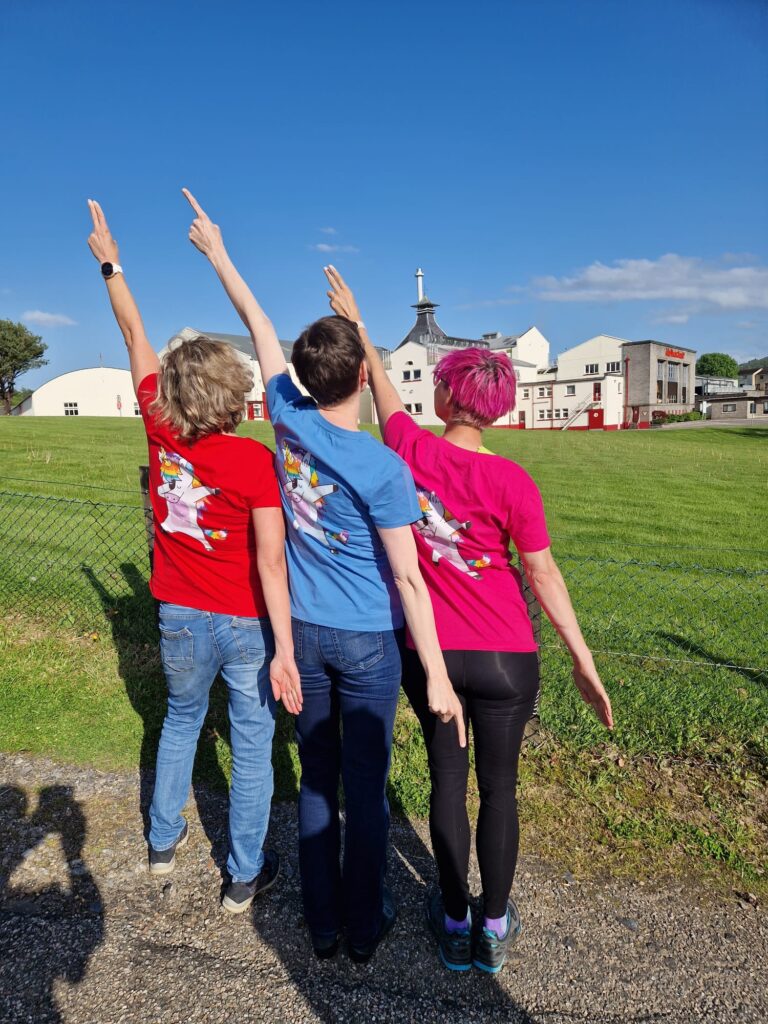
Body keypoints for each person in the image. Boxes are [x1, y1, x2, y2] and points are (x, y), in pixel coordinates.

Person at [181, 189, 464, 963]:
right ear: (362, 376)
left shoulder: (286, 414)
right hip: (369, 643)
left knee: (316, 777)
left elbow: (257, 324)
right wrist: (438, 675)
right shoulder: (385, 467)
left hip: (301, 634)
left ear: (306, 378)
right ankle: (364, 927)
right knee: (365, 788)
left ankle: (323, 922)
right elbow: (409, 580)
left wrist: (218, 253)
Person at [324, 265, 614, 975]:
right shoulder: (513, 480)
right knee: (500, 790)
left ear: (447, 395)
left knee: (448, 783)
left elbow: (384, 393)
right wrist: (582, 659)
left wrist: (359, 324)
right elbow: (543, 575)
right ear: (502, 409)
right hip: (507, 658)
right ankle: (493, 924)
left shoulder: (411, 450)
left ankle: (454, 919)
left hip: (433, 656)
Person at [86, 200, 301, 915]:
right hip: (244, 622)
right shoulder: (254, 462)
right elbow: (272, 564)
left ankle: (161, 842)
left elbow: (133, 330)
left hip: (179, 613)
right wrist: (285, 647)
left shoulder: (159, 424)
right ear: (235, 393)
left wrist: (111, 264)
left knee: (180, 720)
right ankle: (242, 875)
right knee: (252, 743)